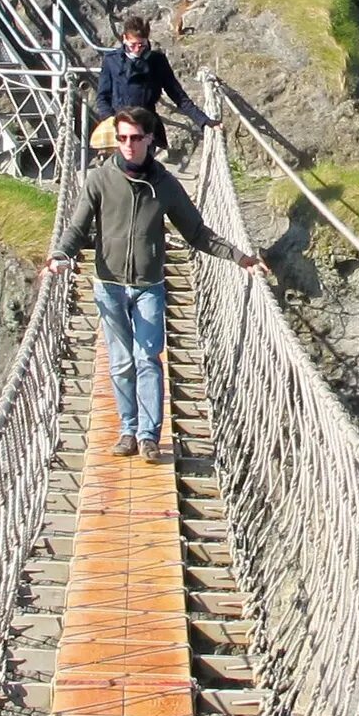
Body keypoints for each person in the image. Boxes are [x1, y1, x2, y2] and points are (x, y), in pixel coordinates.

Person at [49, 107, 263, 461]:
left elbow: (196, 232)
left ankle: (149, 436)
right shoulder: (99, 180)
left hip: (149, 285)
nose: (128, 145)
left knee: (147, 357)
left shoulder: (165, 185)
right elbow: (76, 227)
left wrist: (239, 257)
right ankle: (127, 430)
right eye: (122, 139)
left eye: (135, 138)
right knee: (120, 362)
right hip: (109, 283)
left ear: (150, 139)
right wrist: (60, 256)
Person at [94, 14, 213, 133]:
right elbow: (102, 97)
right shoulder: (111, 60)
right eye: (132, 45)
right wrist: (109, 120)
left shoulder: (157, 61)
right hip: (120, 126)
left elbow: (178, 95)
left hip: (146, 126)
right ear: (124, 38)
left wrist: (204, 120)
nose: (137, 50)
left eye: (141, 45)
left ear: (147, 40)